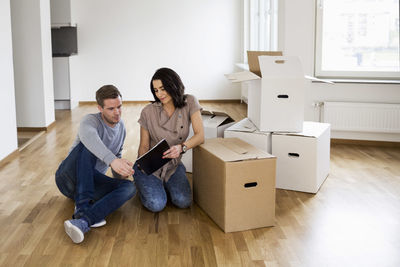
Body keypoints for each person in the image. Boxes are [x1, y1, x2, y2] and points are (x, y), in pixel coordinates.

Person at [55, 85, 136, 244]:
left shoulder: (122, 128)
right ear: (100, 108)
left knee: (129, 187)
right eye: (111, 108)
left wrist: (122, 171)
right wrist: (113, 160)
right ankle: (83, 206)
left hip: (91, 182)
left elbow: (116, 156)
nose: (117, 112)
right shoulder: (90, 121)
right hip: (68, 177)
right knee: (87, 146)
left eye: (119, 106)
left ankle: (83, 221)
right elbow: (91, 139)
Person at [134, 68, 204, 212]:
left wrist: (181, 148)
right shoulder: (148, 111)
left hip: (173, 165)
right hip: (151, 167)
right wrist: (142, 166)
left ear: (173, 85)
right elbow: (144, 145)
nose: (159, 94)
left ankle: (166, 182)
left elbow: (200, 136)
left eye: (163, 88)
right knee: (156, 204)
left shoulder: (190, 102)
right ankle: (142, 181)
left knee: (183, 201)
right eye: (156, 90)